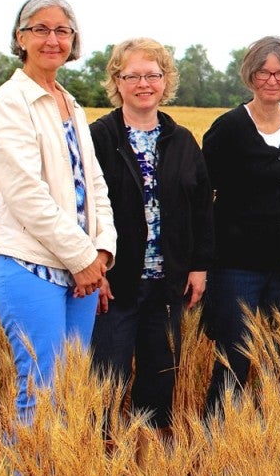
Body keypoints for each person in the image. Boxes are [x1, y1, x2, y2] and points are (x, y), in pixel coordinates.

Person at [0, 0, 116, 425]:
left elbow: (94, 184)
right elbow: (25, 193)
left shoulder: (69, 101)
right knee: (43, 388)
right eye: (40, 29)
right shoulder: (10, 101)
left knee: (71, 390)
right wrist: (81, 258)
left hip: (81, 272)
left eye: (62, 30)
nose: (52, 39)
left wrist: (101, 253)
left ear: (73, 39)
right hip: (30, 265)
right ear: (21, 38)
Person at [89, 37, 214, 435]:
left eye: (153, 75)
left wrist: (198, 267)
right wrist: (93, 267)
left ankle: (150, 452)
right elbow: (81, 207)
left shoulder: (181, 140)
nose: (144, 83)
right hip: (116, 281)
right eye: (133, 75)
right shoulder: (98, 138)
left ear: (165, 81)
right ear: (117, 82)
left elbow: (201, 209)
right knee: (108, 376)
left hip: (167, 282)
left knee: (161, 375)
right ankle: (100, 449)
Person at [201, 36, 280, 412]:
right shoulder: (227, 127)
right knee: (234, 354)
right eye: (263, 71)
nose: (271, 80)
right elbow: (201, 194)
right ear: (250, 75)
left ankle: (275, 433)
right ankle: (215, 433)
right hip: (236, 263)